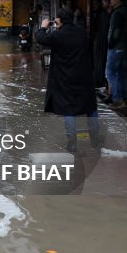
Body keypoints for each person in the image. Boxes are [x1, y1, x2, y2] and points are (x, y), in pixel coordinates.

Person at [36, 8, 102, 153]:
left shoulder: (58, 36)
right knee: (90, 107)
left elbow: (40, 38)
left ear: (59, 20)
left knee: (69, 109)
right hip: (84, 77)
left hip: (65, 78)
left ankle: (72, 142)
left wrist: (43, 26)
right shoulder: (81, 32)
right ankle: (96, 139)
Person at [106, 0, 127, 109]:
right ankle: (124, 99)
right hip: (125, 47)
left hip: (116, 48)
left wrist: (111, 44)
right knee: (122, 74)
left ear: (118, 0)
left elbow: (115, 32)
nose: (111, 1)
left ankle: (117, 100)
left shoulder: (117, 13)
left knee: (110, 73)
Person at [91, 0, 111, 93]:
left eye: (105, 0)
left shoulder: (104, 14)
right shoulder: (102, 14)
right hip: (100, 40)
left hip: (102, 41)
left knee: (101, 61)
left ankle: (101, 82)